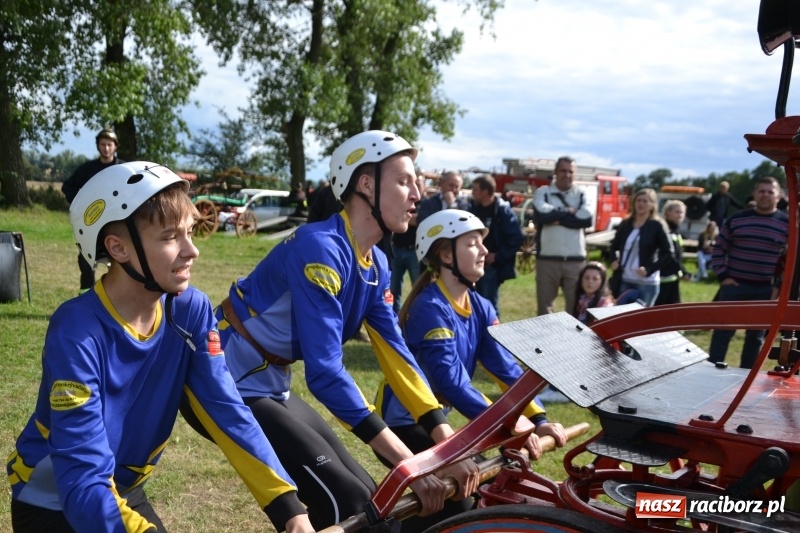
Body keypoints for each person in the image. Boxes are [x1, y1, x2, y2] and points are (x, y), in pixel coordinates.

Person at [184, 131, 479, 530]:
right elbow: (324, 373)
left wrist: (445, 446)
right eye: (404, 181)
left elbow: (398, 359)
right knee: (351, 505)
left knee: (371, 498)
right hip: (223, 381)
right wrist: (408, 461)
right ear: (366, 184)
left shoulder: (377, 263)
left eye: (418, 183)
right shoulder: (320, 248)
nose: (417, 194)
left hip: (268, 383)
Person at [7, 162, 313, 533]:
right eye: (171, 237)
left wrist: (289, 509)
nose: (192, 250)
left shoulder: (189, 310)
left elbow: (227, 411)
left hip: (124, 491)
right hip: (55, 502)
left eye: (189, 232)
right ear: (118, 248)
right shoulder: (77, 331)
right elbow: (82, 479)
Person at [377, 209, 567, 528]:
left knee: (476, 491)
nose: (483, 250)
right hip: (401, 423)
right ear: (444, 253)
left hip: (437, 423)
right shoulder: (430, 308)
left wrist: (538, 418)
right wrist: (510, 426)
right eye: (472, 243)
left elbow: (506, 370)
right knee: (460, 497)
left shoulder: (480, 305)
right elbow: (452, 384)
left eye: (482, 243)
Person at [708, 176, 789, 369]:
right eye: (762, 191)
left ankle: (746, 379)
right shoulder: (737, 219)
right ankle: (711, 372)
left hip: (766, 290)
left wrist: (779, 289)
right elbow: (719, 248)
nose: (765, 195)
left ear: (778, 196)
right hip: (734, 286)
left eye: (770, 192)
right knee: (722, 332)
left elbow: (790, 259)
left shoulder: (787, 225)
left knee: (755, 337)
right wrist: (723, 276)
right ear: (754, 194)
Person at [61, 128, 124, 293]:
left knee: (119, 260)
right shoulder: (87, 169)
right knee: (86, 261)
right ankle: (86, 297)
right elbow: (67, 187)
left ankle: (117, 298)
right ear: (98, 146)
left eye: (109, 145)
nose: (106, 148)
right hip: (92, 223)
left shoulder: (123, 169)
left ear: (115, 146)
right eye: (103, 144)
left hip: (117, 222)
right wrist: (81, 205)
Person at [532, 156, 593, 315]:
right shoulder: (543, 193)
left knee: (575, 310)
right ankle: (544, 340)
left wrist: (555, 217)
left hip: (575, 261)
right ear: (556, 172)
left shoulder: (581, 194)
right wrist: (569, 212)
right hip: (547, 260)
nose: (566, 175)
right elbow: (541, 215)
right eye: (563, 171)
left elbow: (586, 219)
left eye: (570, 171)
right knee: (544, 310)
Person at [606, 188, 676, 307]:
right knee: (620, 317)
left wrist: (650, 269)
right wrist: (613, 260)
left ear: (652, 205)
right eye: (638, 200)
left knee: (642, 320)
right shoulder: (626, 224)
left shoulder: (657, 225)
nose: (641, 204)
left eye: (645, 201)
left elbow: (669, 253)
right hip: (625, 279)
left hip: (647, 282)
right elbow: (613, 246)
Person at [468, 174, 524, 315]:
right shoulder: (473, 209)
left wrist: (498, 256)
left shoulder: (502, 211)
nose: (472, 192)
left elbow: (516, 239)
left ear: (485, 191)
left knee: (489, 308)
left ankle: (492, 335)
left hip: (490, 268)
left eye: (475, 189)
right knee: (472, 306)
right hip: (472, 265)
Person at [390, 174, 426, 313]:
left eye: (419, 183)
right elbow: (395, 217)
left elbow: (420, 221)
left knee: (418, 289)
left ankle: (415, 318)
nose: (416, 187)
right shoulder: (401, 200)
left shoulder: (427, 204)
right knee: (393, 290)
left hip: (415, 252)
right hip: (397, 249)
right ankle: (394, 320)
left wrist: (404, 216)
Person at [655, 200, 689, 305]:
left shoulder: (676, 230)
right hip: (662, 277)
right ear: (668, 212)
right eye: (677, 212)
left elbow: (678, 255)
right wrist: (683, 271)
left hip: (673, 277)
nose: (680, 215)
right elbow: (669, 255)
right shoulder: (664, 229)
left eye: (682, 212)